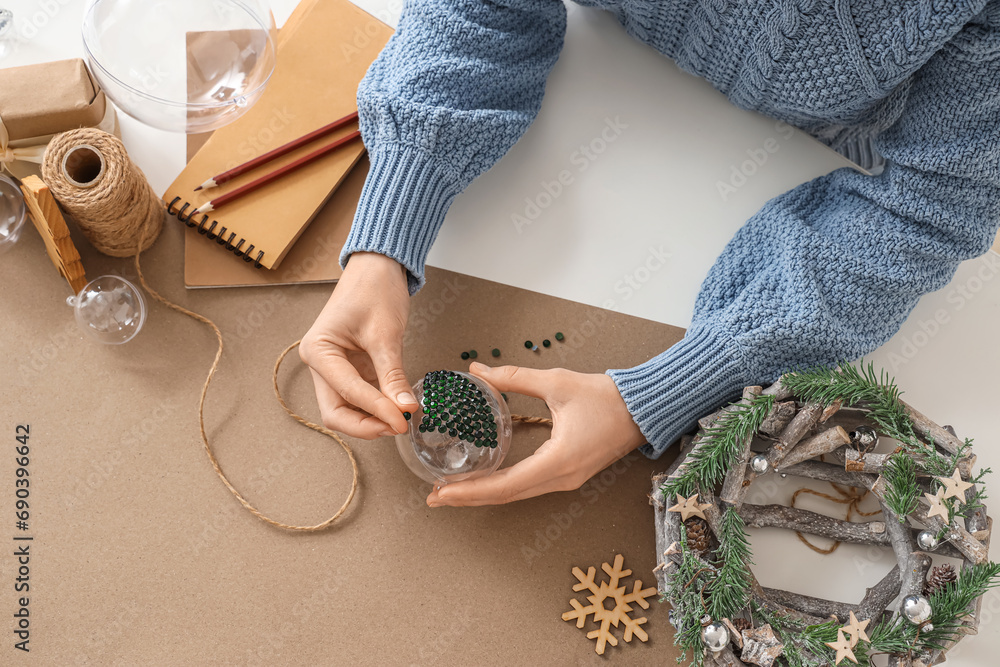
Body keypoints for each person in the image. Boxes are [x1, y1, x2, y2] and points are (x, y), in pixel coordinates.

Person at [299, 1, 1000, 507]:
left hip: (835, 141)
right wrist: (385, 238)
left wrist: (665, 393)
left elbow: (931, 205)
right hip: (609, 80)